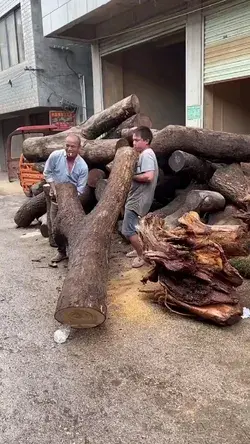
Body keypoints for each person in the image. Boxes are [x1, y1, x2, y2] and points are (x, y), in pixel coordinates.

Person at [43, 133, 88, 262]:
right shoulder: (55, 156)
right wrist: (53, 188)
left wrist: (71, 199)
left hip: (72, 203)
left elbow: (80, 188)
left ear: (79, 147)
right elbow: (47, 172)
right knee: (55, 227)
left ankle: (74, 250)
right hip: (55, 199)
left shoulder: (82, 166)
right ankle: (61, 251)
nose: (69, 149)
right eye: (67, 146)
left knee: (73, 227)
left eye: (72, 146)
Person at [122, 126, 159, 268]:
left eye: (137, 140)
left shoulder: (147, 154)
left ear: (146, 140)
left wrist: (130, 176)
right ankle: (138, 248)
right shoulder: (144, 154)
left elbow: (148, 176)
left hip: (138, 199)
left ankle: (142, 256)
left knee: (128, 229)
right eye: (133, 140)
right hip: (139, 197)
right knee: (137, 227)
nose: (134, 143)